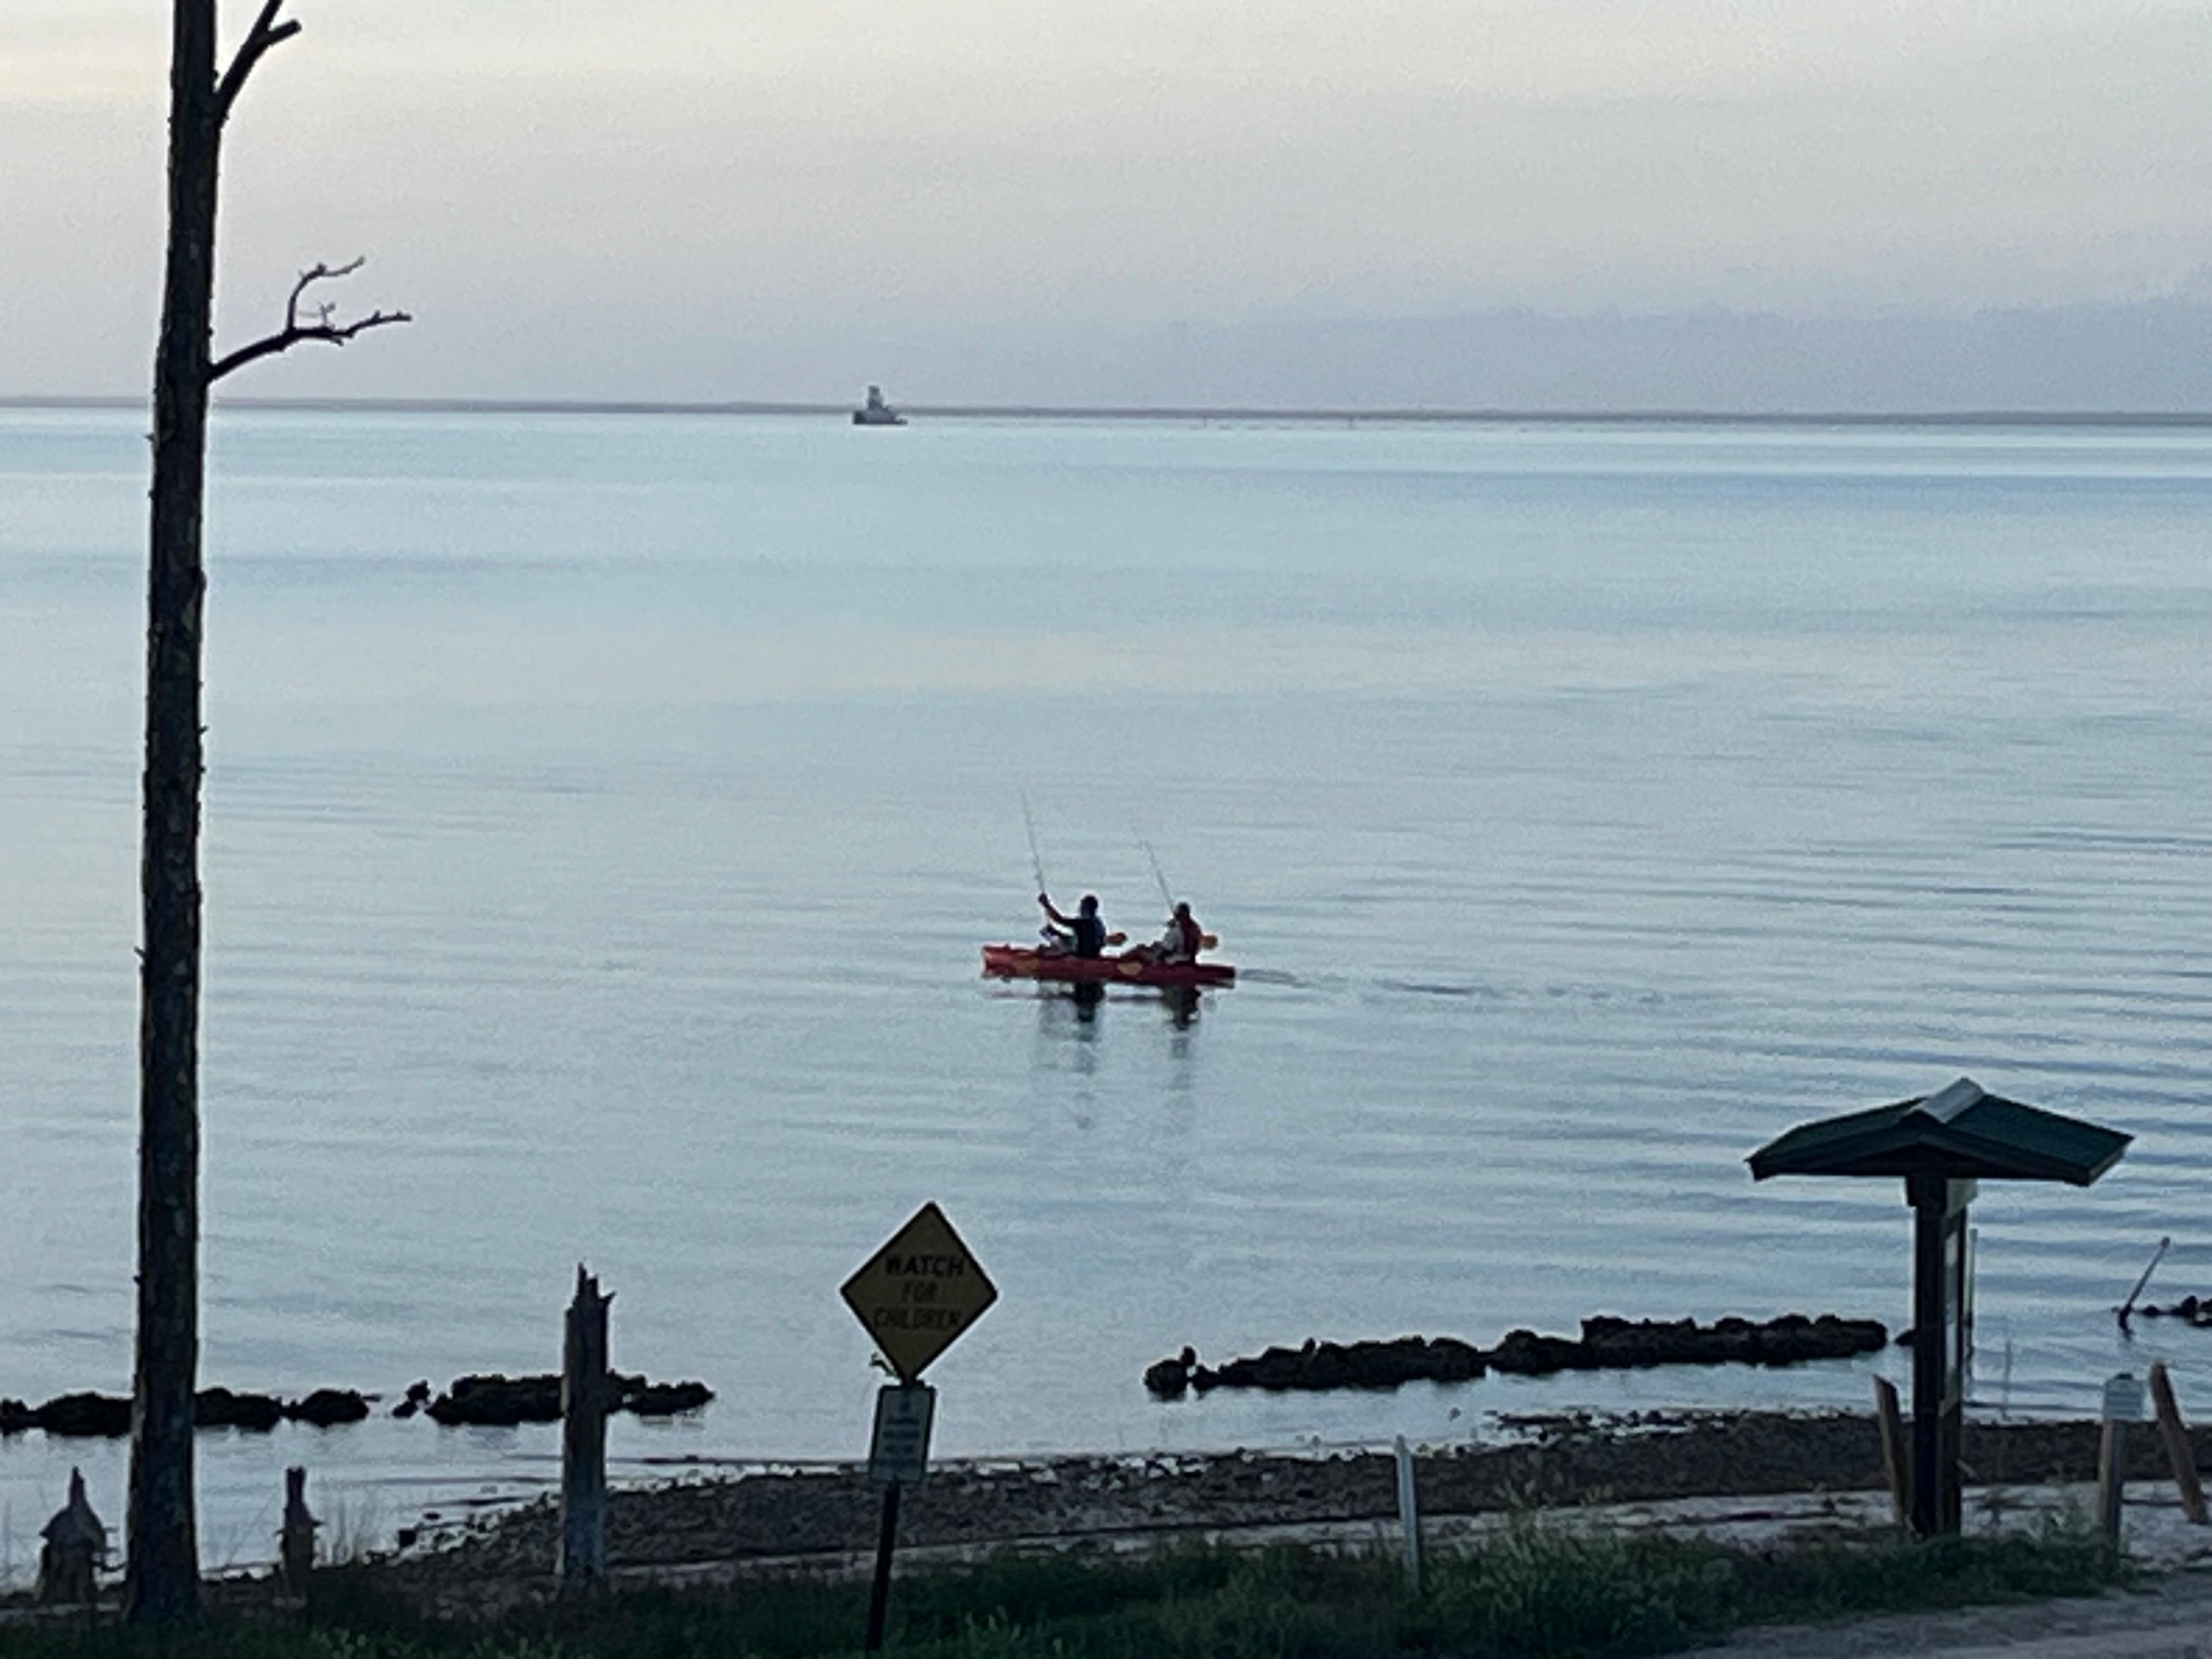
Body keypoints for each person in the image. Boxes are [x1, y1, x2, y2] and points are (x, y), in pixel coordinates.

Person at [1127, 901, 1204, 965]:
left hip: (1175, 959)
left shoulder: (1176, 931)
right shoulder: (1195, 927)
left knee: (1139, 950)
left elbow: (1167, 949)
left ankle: (1120, 965)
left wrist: (1156, 956)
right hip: (1189, 958)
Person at [1039, 892, 1108, 957]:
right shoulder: (1099, 923)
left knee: (1054, 946)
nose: (1080, 909)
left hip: (1082, 957)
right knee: (1060, 941)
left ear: (1086, 908)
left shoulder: (1084, 922)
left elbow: (1059, 919)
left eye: (1082, 906)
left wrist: (1047, 905)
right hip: (1094, 956)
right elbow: (1102, 942)